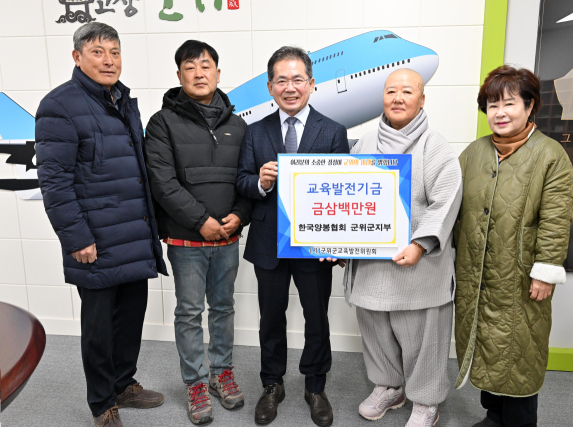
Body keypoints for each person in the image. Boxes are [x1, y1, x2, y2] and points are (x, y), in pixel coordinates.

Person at [35, 22, 167, 427]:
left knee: (131, 316)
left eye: (114, 52)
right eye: (98, 52)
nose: (109, 60)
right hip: (95, 240)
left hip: (133, 231)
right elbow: (54, 182)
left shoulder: (124, 100)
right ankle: (101, 403)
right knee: (99, 327)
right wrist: (77, 238)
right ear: (77, 57)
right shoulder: (59, 105)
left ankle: (124, 384)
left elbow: (136, 170)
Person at [454, 65, 573, 427]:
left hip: (521, 276)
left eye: (508, 103)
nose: (500, 113)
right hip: (476, 272)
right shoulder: (474, 153)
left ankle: (519, 422)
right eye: (492, 105)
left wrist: (545, 273)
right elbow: (450, 206)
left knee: (519, 350)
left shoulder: (550, 155)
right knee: (486, 343)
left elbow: (556, 220)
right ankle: (494, 415)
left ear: (530, 106)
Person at [236, 46, 349, 426]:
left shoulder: (332, 131)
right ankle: (272, 385)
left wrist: (339, 245)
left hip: (314, 246)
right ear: (270, 87)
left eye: (297, 79)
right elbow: (241, 183)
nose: (290, 87)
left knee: (317, 318)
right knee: (271, 318)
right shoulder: (254, 133)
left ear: (312, 84)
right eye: (281, 80)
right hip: (268, 242)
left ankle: (315, 386)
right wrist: (260, 183)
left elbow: (344, 191)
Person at [342, 69, 462, 427]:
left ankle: (426, 401)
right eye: (391, 90)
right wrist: (332, 240)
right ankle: (389, 386)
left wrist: (420, 243)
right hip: (371, 265)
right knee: (376, 331)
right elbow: (345, 198)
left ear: (421, 100)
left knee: (423, 338)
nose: (397, 97)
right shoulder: (363, 144)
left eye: (407, 91)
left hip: (417, 265)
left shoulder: (435, 146)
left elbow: (446, 202)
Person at [144, 40, 251, 424]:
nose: (199, 73)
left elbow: (246, 180)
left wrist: (239, 215)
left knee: (223, 308)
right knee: (189, 313)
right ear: (179, 76)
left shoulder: (239, 126)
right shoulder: (161, 123)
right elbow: (162, 182)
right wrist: (201, 221)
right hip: (186, 240)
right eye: (190, 67)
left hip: (228, 238)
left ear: (219, 73)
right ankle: (195, 382)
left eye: (206, 66)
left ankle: (222, 374)